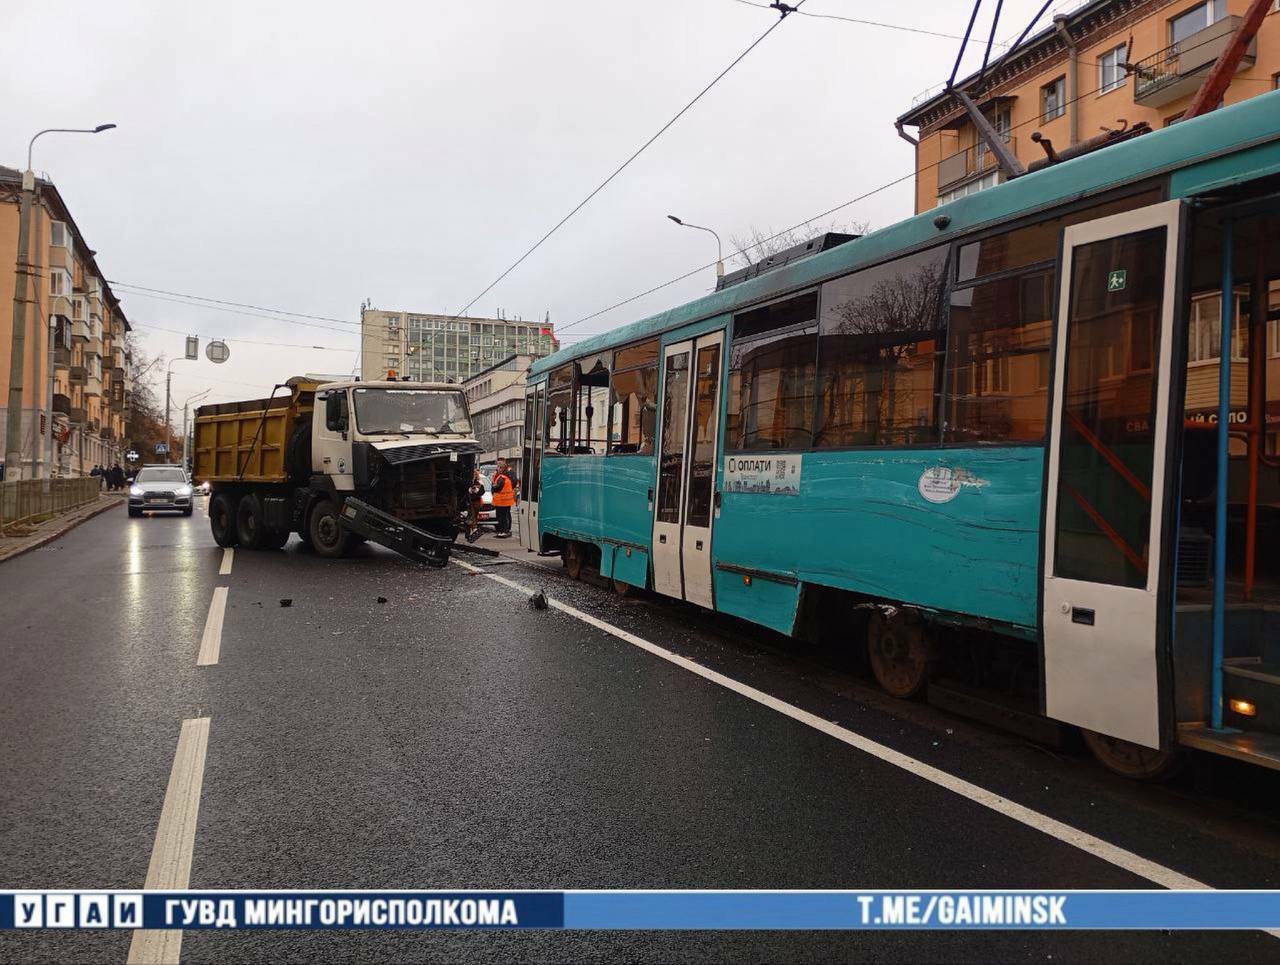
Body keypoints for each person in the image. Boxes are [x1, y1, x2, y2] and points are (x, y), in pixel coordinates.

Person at [491, 461, 516, 538]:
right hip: (505, 501)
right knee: (504, 516)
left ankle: (503, 531)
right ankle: (503, 531)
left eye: (498, 467)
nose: (496, 469)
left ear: (501, 468)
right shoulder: (505, 476)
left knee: (502, 517)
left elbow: (497, 487)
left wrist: (493, 486)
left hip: (501, 501)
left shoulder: (502, 477)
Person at [464, 469, 486, 544]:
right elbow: (464, 491)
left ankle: (471, 532)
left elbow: (482, 491)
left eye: (475, 474)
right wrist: (469, 491)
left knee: (474, 516)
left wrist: (477, 491)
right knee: (471, 516)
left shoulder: (479, 482)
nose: (474, 476)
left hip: (476, 501)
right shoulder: (467, 482)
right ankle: (473, 530)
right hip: (469, 502)